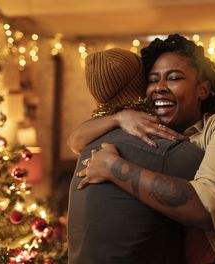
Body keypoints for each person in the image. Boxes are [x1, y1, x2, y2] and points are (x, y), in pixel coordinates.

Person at [70, 34, 215, 263]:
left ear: (202, 89)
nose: (159, 88)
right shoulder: (144, 130)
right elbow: (75, 140)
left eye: (174, 78)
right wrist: (118, 118)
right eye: (152, 80)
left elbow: (211, 205)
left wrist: (113, 166)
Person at [67, 48, 205, 264]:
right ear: (142, 83)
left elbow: (73, 141)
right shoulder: (162, 145)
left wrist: (117, 118)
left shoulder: (89, 144)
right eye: (152, 77)